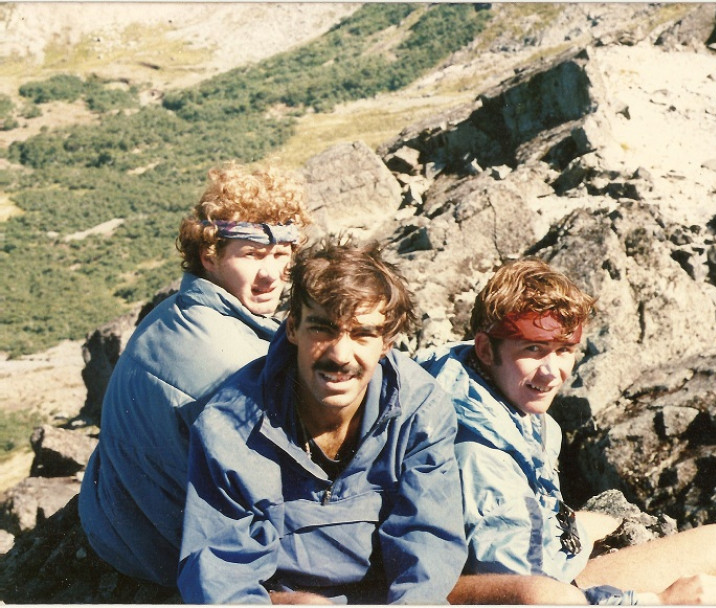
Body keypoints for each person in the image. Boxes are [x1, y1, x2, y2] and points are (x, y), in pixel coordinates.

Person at [418, 258, 716, 605]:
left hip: (539, 566)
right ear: (484, 348)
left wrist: (576, 526)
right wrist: (656, 601)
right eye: (533, 349)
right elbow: (531, 594)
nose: (552, 372)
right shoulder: (482, 458)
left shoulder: (476, 386)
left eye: (564, 350)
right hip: (540, 586)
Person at [177, 239, 467, 604]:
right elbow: (221, 578)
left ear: (387, 341)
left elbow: (428, 544)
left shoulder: (419, 408)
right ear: (293, 328)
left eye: (362, 334)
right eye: (323, 329)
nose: (340, 355)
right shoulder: (230, 425)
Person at [79, 162, 311, 588]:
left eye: (281, 255)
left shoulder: (175, 312)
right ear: (210, 254)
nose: (271, 275)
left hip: (113, 518)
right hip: (162, 550)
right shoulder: (232, 363)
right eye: (252, 255)